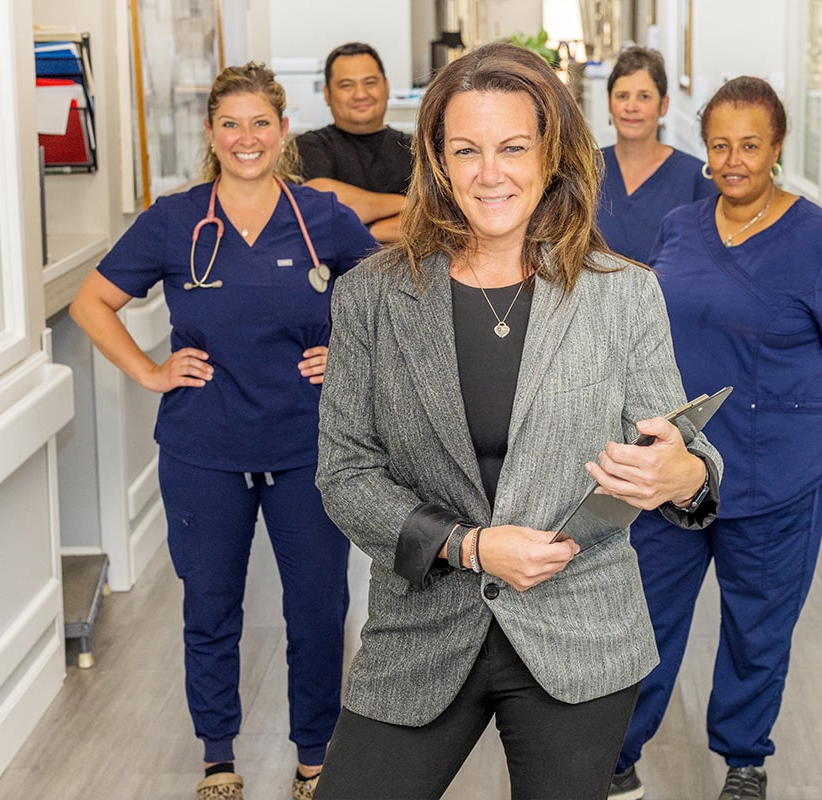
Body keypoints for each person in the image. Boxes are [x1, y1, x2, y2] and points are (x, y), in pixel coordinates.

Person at [312, 42, 724, 800]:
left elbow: (686, 451)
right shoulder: (370, 296)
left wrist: (683, 472)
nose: (489, 172)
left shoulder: (623, 294)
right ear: (436, 160)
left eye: (511, 148)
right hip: (421, 631)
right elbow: (344, 475)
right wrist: (468, 546)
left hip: (580, 631)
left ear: (551, 156)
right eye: (466, 150)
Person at [69, 62, 377, 800]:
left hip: (306, 447)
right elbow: (91, 303)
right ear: (211, 133)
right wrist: (149, 373)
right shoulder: (175, 220)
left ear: (283, 130)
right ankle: (218, 759)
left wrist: (347, 353)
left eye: (260, 123)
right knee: (209, 607)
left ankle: (312, 760)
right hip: (204, 449)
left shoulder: (322, 216)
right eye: (231, 124)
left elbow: (392, 300)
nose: (247, 138)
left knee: (316, 610)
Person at [607, 76, 822, 800]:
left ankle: (743, 761)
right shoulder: (683, 225)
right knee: (646, 615)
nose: (734, 160)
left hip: (776, 478)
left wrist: (800, 429)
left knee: (757, 628)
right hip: (676, 466)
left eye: (751, 145)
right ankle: (618, 753)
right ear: (705, 150)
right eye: (721, 145)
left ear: (778, 148)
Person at [595, 45, 717, 264]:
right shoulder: (585, 169)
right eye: (622, 96)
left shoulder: (697, 179)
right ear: (609, 103)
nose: (631, 107)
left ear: (664, 105)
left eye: (644, 97)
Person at [296, 42, 413, 243]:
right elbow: (319, 204)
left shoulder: (415, 148)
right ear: (327, 94)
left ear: (386, 87)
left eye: (370, 82)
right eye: (346, 85)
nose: (360, 94)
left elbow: (433, 219)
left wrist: (367, 233)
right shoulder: (310, 145)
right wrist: (408, 204)